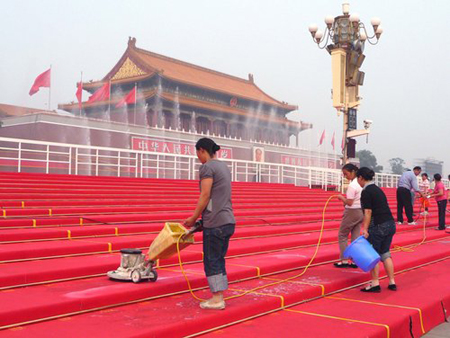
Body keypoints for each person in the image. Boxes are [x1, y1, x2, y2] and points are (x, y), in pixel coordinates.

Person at [184, 138, 236, 310]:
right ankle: (218, 294)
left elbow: (205, 195)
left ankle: (217, 298)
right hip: (227, 221)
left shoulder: (207, 167)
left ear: (202, 150)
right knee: (218, 259)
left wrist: (193, 218)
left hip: (216, 224)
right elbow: (215, 198)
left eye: (197, 153)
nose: (198, 157)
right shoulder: (223, 167)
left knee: (212, 260)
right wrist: (201, 221)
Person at [357, 167, 397, 292]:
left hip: (378, 226)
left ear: (361, 178)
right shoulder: (378, 189)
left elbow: (368, 211)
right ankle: (392, 282)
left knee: (373, 255)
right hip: (390, 224)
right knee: (385, 253)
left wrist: (365, 228)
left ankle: (375, 284)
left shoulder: (366, 191)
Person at [334, 163, 364, 268]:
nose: (345, 176)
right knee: (355, 237)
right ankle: (355, 260)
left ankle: (344, 260)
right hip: (361, 211)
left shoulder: (352, 186)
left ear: (352, 172)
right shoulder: (361, 184)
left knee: (342, 235)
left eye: (346, 174)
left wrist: (341, 198)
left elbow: (350, 202)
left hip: (352, 212)